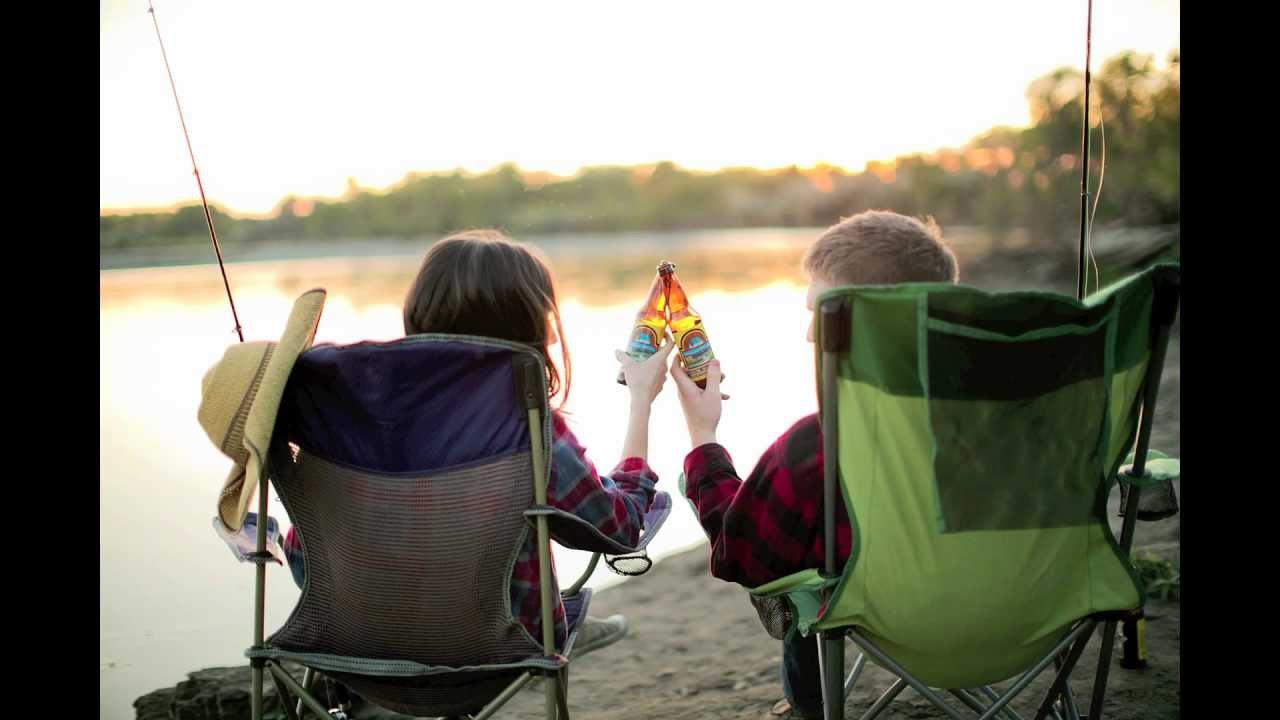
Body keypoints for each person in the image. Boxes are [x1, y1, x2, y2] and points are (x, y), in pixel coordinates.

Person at [282, 228, 674, 657]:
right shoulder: (524, 425)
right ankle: (564, 619)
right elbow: (618, 529)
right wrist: (641, 399)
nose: (553, 333)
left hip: (347, 643)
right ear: (527, 324)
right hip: (498, 648)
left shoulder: (342, 408)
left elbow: (301, 551)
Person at [670, 210, 960, 719]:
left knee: (809, 560)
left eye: (820, 314)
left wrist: (703, 437)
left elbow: (742, 557)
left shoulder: (817, 442)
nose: (809, 334)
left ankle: (812, 705)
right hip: (1028, 611)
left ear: (863, 323)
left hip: (885, 617)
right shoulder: (1012, 420)